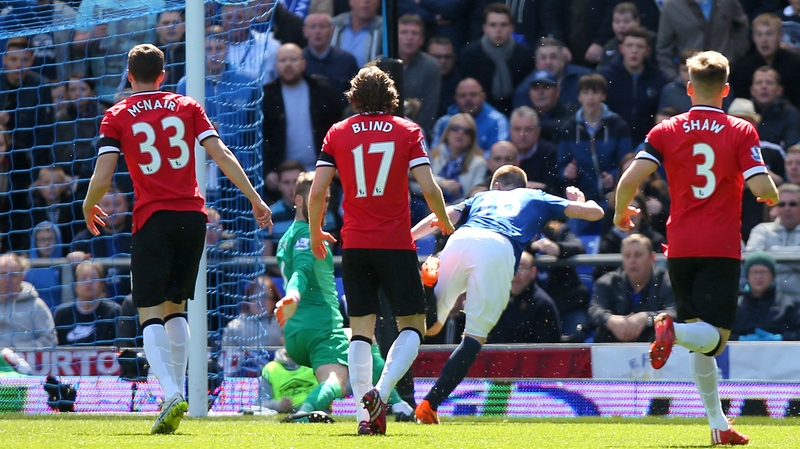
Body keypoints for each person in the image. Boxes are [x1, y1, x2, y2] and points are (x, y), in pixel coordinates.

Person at [81, 43, 272, 435]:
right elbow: (221, 154)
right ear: (164, 75)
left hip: (153, 217)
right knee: (176, 308)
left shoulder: (117, 115)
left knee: (149, 310)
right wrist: (255, 199)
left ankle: (169, 392)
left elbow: (103, 178)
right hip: (193, 217)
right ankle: (179, 390)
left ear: (129, 76)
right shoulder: (187, 106)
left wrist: (87, 205)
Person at [613, 50, 779, 446]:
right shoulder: (741, 130)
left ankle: (718, 426)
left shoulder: (666, 130)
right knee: (716, 338)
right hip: (720, 245)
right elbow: (760, 186)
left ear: (689, 89)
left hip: (681, 245)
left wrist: (622, 212)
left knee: (700, 344)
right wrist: (771, 196)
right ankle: (667, 326)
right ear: (725, 89)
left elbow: (627, 180)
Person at [305, 65, 454, 435]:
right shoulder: (407, 130)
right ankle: (381, 392)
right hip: (395, 243)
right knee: (413, 325)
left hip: (354, 243)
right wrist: (444, 221)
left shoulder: (337, 132)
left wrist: (314, 232)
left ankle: (362, 417)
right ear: (392, 97)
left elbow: (318, 191)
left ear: (353, 98)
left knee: (360, 332)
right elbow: (430, 187)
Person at [410, 166, 603, 424]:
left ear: (497, 186)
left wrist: (408, 237)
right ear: (520, 185)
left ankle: (427, 282)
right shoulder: (535, 196)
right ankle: (429, 404)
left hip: (461, 239)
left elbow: (442, 216)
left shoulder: (480, 197)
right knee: (474, 337)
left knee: (432, 326)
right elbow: (596, 213)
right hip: (499, 248)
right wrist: (580, 201)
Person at [275, 170, 416, 424]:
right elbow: (302, 271)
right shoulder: (308, 236)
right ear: (298, 201)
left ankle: (399, 405)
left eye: (326, 200)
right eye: (316, 198)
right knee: (336, 382)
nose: (322, 204)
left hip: (295, 333)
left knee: (363, 338)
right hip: (321, 327)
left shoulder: (288, 236)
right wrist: (293, 296)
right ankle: (302, 414)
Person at [589, 234, 676, 343]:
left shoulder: (667, 281)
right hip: (614, 347)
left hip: (655, 345)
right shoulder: (606, 282)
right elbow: (594, 309)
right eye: (627, 256)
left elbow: (674, 311)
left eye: (638, 255)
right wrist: (610, 320)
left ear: (652, 258)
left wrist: (647, 318)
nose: (632, 261)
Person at [458, 3, 534, 115]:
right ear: (485, 28)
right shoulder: (470, 54)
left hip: (516, 113)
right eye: (493, 25)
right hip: (478, 114)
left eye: (503, 25)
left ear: (511, 28)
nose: (498, 30)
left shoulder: (524, 54)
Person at [597, 26, 669, 146]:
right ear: (621, 48)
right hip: (611, 142)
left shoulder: (659, 79)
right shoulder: (605, 77)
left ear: (648, 51)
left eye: (640, 47)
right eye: (629, 46)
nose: (634, 51)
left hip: (647, 143)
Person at [485, 250, 562, 344]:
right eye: (512, 266)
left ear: (533, 272)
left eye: (522, 267)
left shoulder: (542, 304)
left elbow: (549, 349)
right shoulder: (493, 298)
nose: (516, 273)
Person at [729, 13, 800, 109]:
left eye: (769, 34)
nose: (764, 40)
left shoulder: (795, 65)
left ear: (780, 36)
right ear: (753, 38)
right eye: (759, 35)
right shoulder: (742, 68)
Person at [745, 183, 800, 300]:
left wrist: (772, 253)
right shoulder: (761, 230)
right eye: (782, 204)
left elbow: (762, 261)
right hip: (767, 305)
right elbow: (753, 262)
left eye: (793, 204)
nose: (787, 208)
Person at [731, 251, 800, 341]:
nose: (758, 277)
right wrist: (738, 339)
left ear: (773, 276)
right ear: (748, 276)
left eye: (763, 272)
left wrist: (782, 338)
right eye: (754, 272)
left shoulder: (788, 305)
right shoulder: (735, 306)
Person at [431, 78, 509, 154]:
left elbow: (501, 157)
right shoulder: (444, 122)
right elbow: (433, 156)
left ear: (483, 97)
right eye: (462, 95)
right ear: (455, 99)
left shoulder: (497, 121)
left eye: (473, 94)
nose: (468, 99)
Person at [54, 261, 120, 346]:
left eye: (93, 278)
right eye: (83, 278)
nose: (89, 282)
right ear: (75, 286)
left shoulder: (113, 312)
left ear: (102, 285)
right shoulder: (62, 314)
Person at [302, 13, 359, 108]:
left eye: (322, 26)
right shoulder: (298, 61)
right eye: (312, 27)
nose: (318, 31)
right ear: (304, 31)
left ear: (332, 30)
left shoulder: (346, 60)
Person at [0, 253, 56, 349]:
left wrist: (18, 351)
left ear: (22, 277)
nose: (7, 280)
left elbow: (50, 340)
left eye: (13, 275)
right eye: (2, 274)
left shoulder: (37, 306)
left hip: (25, 362)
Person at [398, 14, 441, 137]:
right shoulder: (380, 64)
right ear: (394, 36)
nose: (409, 38)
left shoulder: (431, 67)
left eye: (414, 33)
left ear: (422, 39)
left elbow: (429, 111)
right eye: (404, 32)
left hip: (416, 133)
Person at [510, 106, 558, 193]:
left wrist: (542, 187)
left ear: (538, 132)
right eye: (517, 129)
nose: (522, 134)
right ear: (510, 131)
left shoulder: (550, 153)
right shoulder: (504, 153)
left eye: (528, 129)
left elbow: (555, 189)